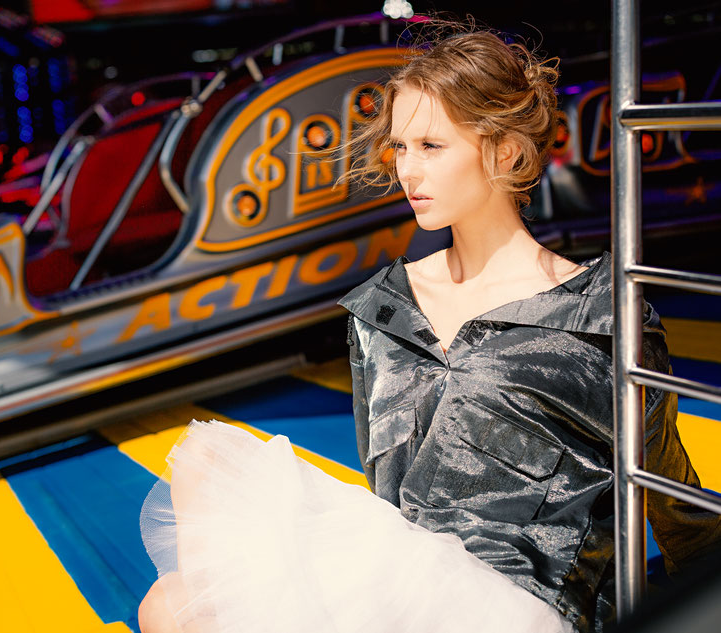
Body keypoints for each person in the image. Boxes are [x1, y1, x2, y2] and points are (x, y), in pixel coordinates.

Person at [136, 25, 721, 633]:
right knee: (198, 483)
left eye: (431, 146)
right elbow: (392, 495)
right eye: (400, 147)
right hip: (404, 584)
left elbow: (671, 493)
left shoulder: (596, 317)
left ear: (505, 150)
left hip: (518, 603)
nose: (407, 170)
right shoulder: (384, 309)